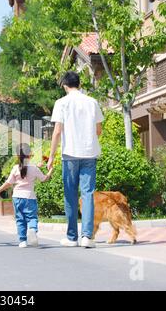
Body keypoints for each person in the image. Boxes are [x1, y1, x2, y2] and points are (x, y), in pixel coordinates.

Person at [47, 71, 104, 248]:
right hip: (89, 153)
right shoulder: (92, 102)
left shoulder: (61, 103)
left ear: (65, 85)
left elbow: (57, 131)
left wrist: (51, 157)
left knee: (70, 195)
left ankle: (72, 237)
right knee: (87, 194)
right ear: (79, 84)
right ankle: (87, 237)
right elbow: (99, 130)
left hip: (70, 154)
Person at [0, 143, 53, 248]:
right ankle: (32, 229)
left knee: (20, 219)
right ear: (30, 155)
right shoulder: (34, 168)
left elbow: (8, 182)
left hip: (17, 197)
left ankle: (22, 241)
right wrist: (50, 172)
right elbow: (44, 179)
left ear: (17, 156)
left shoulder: (15, 168)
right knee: (32, 217)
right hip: (29, 197)